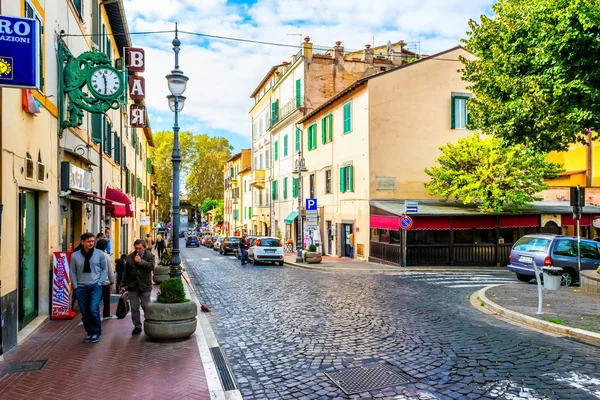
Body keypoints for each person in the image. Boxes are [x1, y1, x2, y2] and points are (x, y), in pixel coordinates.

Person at [70, 232, 107, 343]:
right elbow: (72, 272)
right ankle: (89, 332)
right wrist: (75, 286)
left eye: (92, 241)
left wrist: (100, 282)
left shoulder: (99, 254)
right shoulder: (75, 256)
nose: (91, 243)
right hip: (81, 287)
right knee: (85, 312)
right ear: (82, 242)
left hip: (95, 286)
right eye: (88, 241)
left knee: (93, 309)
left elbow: (104, 269)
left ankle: (96, 332)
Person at [121, 239, 156, 335]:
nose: (137, 250)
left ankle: (149, 322)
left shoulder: (150, 256)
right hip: (133, 285)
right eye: (136, 248)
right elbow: (126, 272)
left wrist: (141, 261)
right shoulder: (130, 257)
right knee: (134, 307)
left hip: (145, 285)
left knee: (146, 305)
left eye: (139, 248)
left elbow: (151, 267)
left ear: (144, 247)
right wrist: (123, 284)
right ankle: (137, 326)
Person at [95, 239, 114, 319]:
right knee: (106, 298)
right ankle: (106, 314)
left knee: (95, 299)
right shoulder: (105, 256)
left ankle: (94, 314)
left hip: (94, 281)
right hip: (104, 281)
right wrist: (112, 281)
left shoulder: (93, 254)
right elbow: (110, 269)